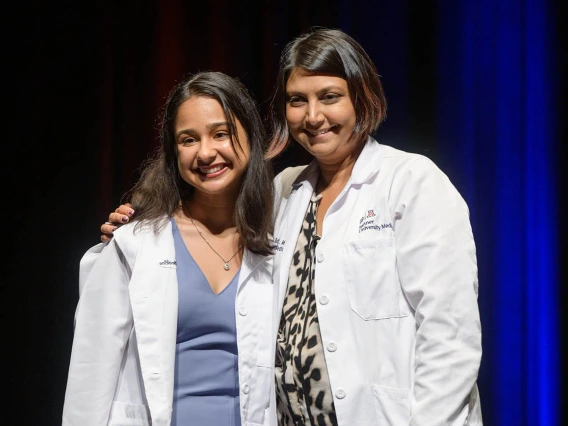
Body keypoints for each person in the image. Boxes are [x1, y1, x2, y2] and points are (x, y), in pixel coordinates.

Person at [101, 28, 483, 426]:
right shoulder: (283, 191)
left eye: (329, 97)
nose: (313, 116)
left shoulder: (410, 181)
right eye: (297, 100)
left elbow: (450, 335)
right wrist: (140, 229)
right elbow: (207, 219)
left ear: (362, 97)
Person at [63, 71, 277, 426]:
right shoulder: (135, 243)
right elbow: (91, 372)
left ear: (250, 138)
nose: (206, 152)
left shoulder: (277, 238)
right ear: (173, 151)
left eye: (221, 134)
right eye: (188, 139)